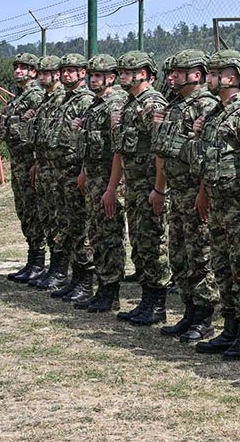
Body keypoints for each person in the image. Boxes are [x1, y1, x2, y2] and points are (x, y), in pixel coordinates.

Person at [192, 50, 240, 360]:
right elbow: (209, 158)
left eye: (214, 72)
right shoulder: (216, 114)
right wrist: (203, 192)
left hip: (237, 203)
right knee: (223, 267)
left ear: (232, 77)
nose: (209, 78)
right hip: (218, 201)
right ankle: (230, 328)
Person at [152, 49, 222, 343]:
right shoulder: (176, 105)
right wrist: (160, 187)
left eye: (178, 72)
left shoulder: (207, 106)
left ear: (196, 75)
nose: (171, 77)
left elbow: (208, 155)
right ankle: (190, 311)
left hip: (196, 192)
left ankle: (204, 317)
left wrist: (204, 193)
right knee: (180, 254)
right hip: (177, 192)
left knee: (200, 255)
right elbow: (164, 150)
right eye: (170, 72)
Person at [105, 51, 172, 325]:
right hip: (134, 187)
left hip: (149, 187)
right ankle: (147, 300)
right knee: (141, 243)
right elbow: (121, 150)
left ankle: (157, 305)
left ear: (144, 73)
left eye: (129, 71)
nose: (123, 76)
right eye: (121, 71)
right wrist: (114, 186)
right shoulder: (130, 105)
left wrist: (159, 189)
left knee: (155, 243)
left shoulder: (152, 104)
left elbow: (161, 151)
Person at [76, 54, 130, 312]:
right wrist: (85, 172)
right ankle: (102, 288)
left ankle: (111, 291)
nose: (93, 80)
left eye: (98, 75)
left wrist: (111, 188)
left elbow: (118, 149)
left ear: (111, 77)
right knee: (97, 234)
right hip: (96, 178)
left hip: (111, 179)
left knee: (109, 235)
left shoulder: (115, 103)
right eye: (91, 75)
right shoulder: (95, 105)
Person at [44, 54, 97, 303]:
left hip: (76, 171)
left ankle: (85, 281)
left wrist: (84, 171)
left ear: (82, 73)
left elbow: (87, 140)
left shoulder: (86, 101)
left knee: (81, 227)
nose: (66, 75)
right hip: (60, 171)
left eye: (71, 71)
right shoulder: (65, 100)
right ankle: (75, 278)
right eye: (64, 71)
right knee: (68, 226)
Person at [0, 53, 47, 284]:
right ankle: (32, 259)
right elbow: (3, 129)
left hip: (29, 162)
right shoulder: (18, 97)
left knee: (34, 212)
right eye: (16, 67)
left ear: (33, 72)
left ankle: (38, 262)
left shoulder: (35, 96)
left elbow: (34, 133)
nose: (18, 71)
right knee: (25, 212)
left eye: (24, 67)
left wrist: (37, 162)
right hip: (18, 162)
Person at [27, 54, 66, 290]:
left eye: (45, 73)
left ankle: (61, 269)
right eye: (39, 73)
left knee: (61, 221)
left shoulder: (61, 100)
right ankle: (53, 267)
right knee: (49, 219)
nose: (41, 77)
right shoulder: (46, 100)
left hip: (60, 169)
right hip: (45, 168)